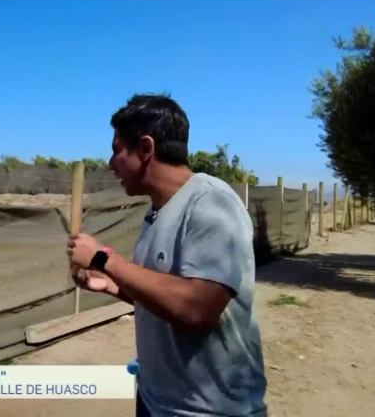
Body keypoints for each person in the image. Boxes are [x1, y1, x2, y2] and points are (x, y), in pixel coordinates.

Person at [66, 94, 267, 417]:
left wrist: (104, 259)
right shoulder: (156, 212)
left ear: (146, 149)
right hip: (155, 401)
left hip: (209, 410)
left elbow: (197, 309)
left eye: (117, 150)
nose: (109, 162)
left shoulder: (211, 204)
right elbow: (164, 301)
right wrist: (110, 285)